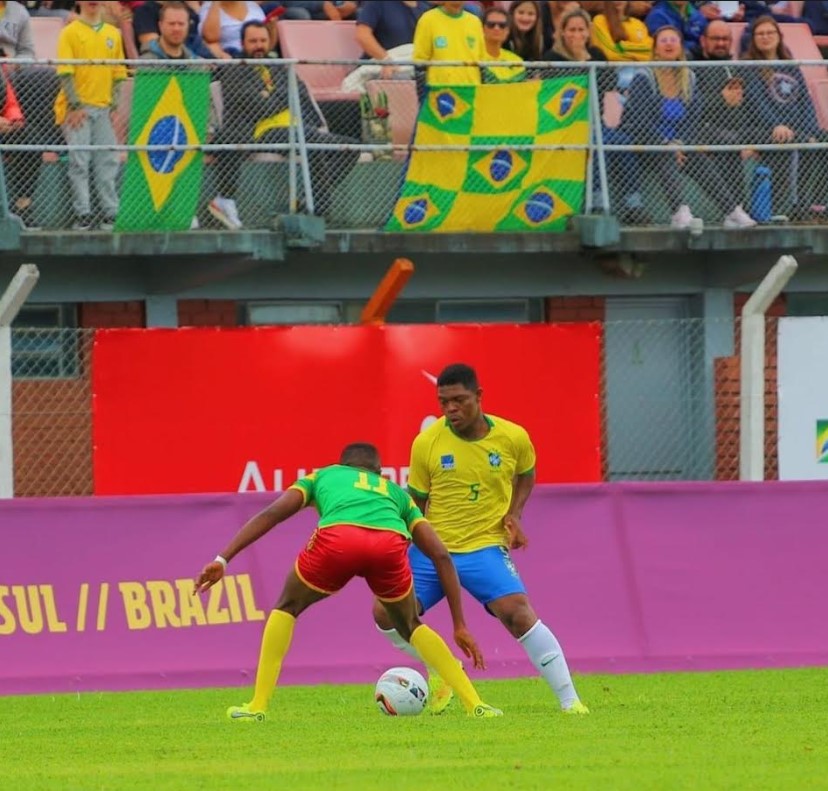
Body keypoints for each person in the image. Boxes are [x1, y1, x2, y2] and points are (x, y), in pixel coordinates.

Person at [194, 442, 503, 721]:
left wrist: (223, 559)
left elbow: (274, 513)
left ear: (341, 464)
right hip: (389, 545)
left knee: (286, 607)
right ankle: (475, 704)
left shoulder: (322, 476)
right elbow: (441, 556)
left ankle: (257, 707)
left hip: (338, 540)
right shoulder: (396, 493)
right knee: (411, 625)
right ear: (379, 473)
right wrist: (459, 624)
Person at [372, 363, 589, 716]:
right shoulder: (427, 442)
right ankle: (444, 670)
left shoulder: (512, 437)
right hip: (434, 549)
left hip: (484, 546)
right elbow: (415, 504)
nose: (451, 409)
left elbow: (526, 474)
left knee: (518, 613)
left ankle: (570, 701)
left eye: (459, 400)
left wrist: (515, 515)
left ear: (479, 397)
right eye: (444, 402)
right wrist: (402, 547)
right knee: (385, 613)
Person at [210, 20, 357, 227]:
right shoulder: (235, 70)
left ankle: (308, 199)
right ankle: (319, 211)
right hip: (262, 132)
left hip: (297, 128)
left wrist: (272, 97)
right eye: (253, 41)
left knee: (350, 148)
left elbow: (300, 96)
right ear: (243, 43)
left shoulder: (280, 67)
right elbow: (257, 107)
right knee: (312, 141)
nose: (259, 45)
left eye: (263, 40)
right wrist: (285, 95)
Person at [623, 25, 756, 228]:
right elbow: (641, 121)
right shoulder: (644, 76)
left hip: (680, 142)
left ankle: (732, 212)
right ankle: (679, 212)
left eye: (673, 40)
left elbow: (693, 120)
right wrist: (666, 144)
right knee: (665, 155)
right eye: (664, 41)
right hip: (648, 140)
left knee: (698, 159)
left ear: (680, 47)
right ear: (655, 48)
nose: (669, 44)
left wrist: (681, 144)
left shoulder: (690, 78)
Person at [742, 15, 825, 221]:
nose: (765, 37)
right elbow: (756, 102)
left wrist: (811, 131)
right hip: (762, 129)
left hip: (795, 129)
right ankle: (795, 204)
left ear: (779, 36)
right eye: (760, 34)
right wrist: (776, 125)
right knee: (794, 143)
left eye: (770, 33)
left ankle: (818, 202)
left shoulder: (790, 66)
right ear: (753, 39)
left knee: (821, 140)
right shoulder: (749, 67)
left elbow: (805, 102)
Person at [54, 0, 127, 231]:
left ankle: (110, 212)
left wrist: (113, 105)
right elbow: (66, 72)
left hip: (104, 108)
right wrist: (75, 106)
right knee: (79, 161)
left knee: (107, 160)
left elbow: (118, 73)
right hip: (79, 109)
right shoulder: (69, 33)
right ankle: (83, 212)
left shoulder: (113, 34)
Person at [413, 0, 487, 88]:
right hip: (440, 90)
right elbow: (420, 60)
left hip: (472, 89)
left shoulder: (475, 22)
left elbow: (482, 59)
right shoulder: (428, 19)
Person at [134, 0, 213, 58]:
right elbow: (152, 43)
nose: (176, 28)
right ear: (160, 25)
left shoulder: (187, 10)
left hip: (199, 63)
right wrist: (194, 58)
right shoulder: (145, 11)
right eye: (171, 24)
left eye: (181, 24)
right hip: (162, 65)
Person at [480, 4, 525, 83]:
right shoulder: (474, 57)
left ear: (508, 31)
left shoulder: (515, 60)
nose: (496, 28)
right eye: (491, 25)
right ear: (482, 28)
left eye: (502, 25)